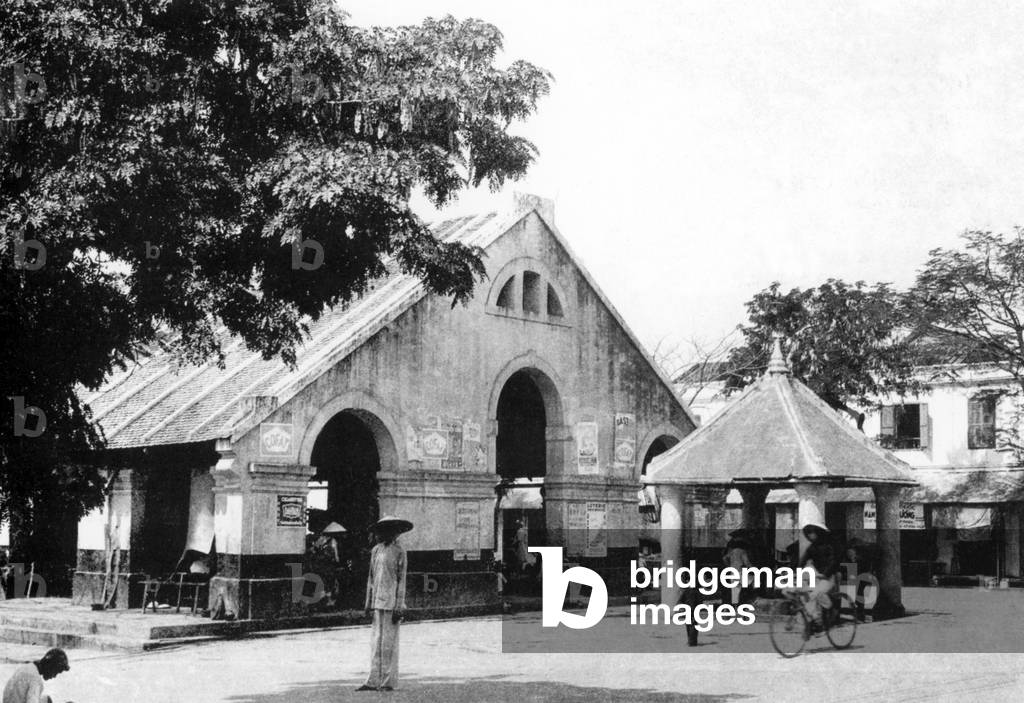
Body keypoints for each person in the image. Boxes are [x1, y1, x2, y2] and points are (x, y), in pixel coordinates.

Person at [358, 515, 411, 692]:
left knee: (389, 643)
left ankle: (388, 682)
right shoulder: (376, 550)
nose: (384, 534)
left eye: (388, 531)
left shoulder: (400, 551)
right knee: (376, 643)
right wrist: (368, 603)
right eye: (382, 531)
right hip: (377, 602)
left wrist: (399, 605)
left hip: (391, 602)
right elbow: (370, 579)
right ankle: (372, 680)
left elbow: (401, 580)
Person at [799, 522, 839, 628]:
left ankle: (830, 611)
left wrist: (825, 574)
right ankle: (815, 618)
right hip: (817, 577)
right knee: (807, 594)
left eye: (812, 533)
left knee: (815, 594)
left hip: (829, 577)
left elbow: (833, 561)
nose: (810, 536)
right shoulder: (811, 548)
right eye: (808, 534)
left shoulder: (829, 546)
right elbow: (802, 561)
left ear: (818, 533)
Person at [2, 648, 70, 703]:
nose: (54, 676)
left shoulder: (28, 667)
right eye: (55, 672)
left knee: (47, 700)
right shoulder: (35, 680)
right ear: (50, 666)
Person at [722, 530, 752, 605]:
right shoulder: (742, 551)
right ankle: (750, 601)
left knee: (735, 591)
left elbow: (724, 558)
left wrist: (728, 566)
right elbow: (746, 562)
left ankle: (735, 606)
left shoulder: (732, 552)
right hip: (740, 572)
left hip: (733, 572)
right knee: (753, 582)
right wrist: (752, 568)